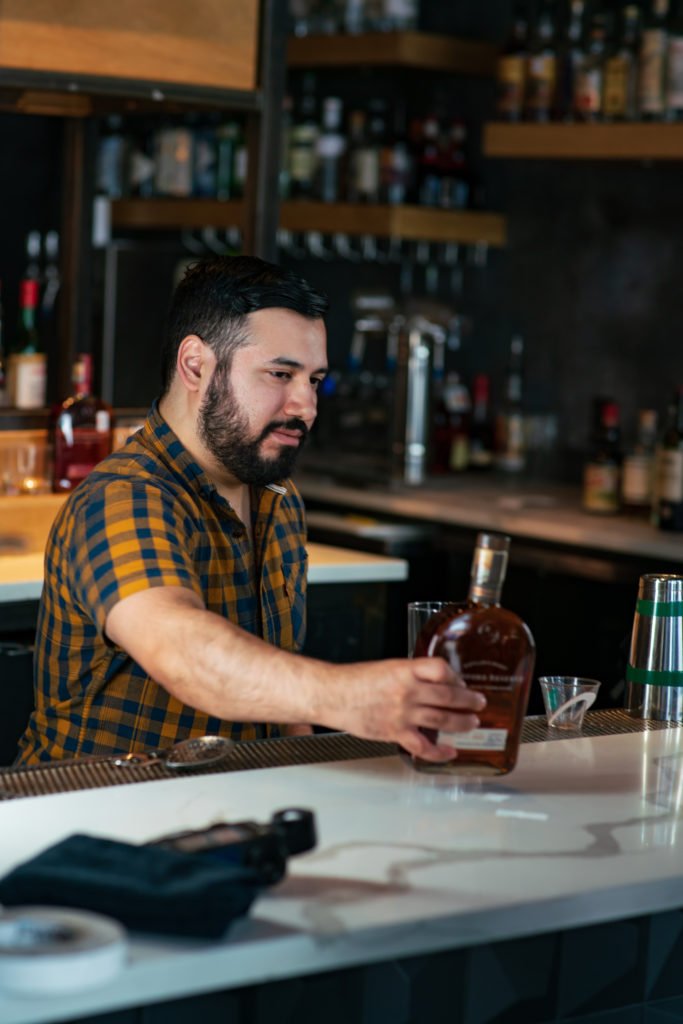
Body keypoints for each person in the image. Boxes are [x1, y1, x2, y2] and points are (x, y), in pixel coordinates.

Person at [16, 254, 485, 764]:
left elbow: (276, 697)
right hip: (95, 812)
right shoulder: (122, 498)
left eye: (313, 380)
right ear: (195, 365)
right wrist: (350, 696)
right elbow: (184, 654)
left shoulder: (277, 499)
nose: (305, 406)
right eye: (280, 374)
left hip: (228, 805)